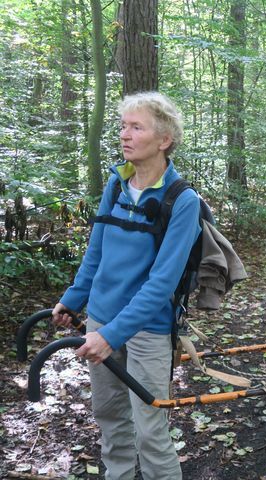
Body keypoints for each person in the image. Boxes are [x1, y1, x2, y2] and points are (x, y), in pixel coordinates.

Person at [52, 92, 201, 479]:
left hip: (147, 330)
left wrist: (112, 335)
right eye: (123, 126)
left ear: (164, 140)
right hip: (100, 321)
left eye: (136, 127)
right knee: (110, 418)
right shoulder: (116, 185)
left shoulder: (182, 200)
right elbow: (95, 252)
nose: (124, 135)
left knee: (151, 430)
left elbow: (161, 284)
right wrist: (73, 300)